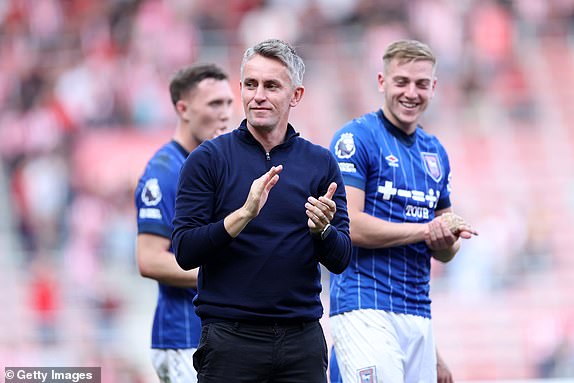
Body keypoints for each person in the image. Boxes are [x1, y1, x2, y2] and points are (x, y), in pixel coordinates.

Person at [172, 38, 352, 383]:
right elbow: (184, 251)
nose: (259, 95)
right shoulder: (207, 159)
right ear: (240, 89)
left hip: (302, 341)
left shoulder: (319, 162)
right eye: (251, 85)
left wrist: (322, 232)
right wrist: (243, 214)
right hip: (229, 340)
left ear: (295, 95)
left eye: (272, 86)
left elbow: (341, 258)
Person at [328, 39, 477, 383]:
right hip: (364, 306)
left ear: (434, 87)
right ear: (382, 82)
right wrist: (426, 230)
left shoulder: (435, 151)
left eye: (421, 84)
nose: (411, 92)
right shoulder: (356, 138)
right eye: (402, 82)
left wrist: (445, 236)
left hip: (418, 314)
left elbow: (445, 251)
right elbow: (349, 226)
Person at [134, 64, 234, 383]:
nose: (225, 114)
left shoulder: (215, 165)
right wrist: (229, 277)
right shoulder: (164, 171)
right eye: (214, 104)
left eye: (229, 103)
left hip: (219, 335)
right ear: (183, 109)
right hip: (184, 338)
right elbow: (149, 259)